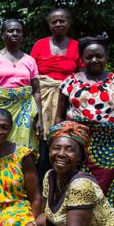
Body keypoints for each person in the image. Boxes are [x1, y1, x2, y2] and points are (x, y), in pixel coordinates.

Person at [54, 34, 114, 211]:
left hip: (111, 147)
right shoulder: (70, 81)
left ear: (106, 56)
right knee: (76, 189)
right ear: (82, 59)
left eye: (99, 56)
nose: (94, 60)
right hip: (77, 146)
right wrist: (59, 143)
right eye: (88, 56)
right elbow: (59, 117)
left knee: (110, 191)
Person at [30, 9, 82, 178]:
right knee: (42, 141)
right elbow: (31, 74)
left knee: (65, 136)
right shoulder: (40, 44)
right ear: (49, 24)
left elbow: (82, 75)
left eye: (62, 21)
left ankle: (65, 180)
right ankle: (41, 184)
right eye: (54, 21)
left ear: (69, 23)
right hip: (42, 98)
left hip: (67, 97)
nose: (58, 24)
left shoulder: (76, 46)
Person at [0, 19, 43, 149]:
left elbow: (36, 91)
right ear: (3, 35)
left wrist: (39, 118)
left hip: (25, 110)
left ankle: (22, 169)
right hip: (0, 109)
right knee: (0, 143)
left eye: (18, 31)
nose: (14, 33)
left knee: (24, 148)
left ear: (22, 35)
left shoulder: (30, 60)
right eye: (10, 30)